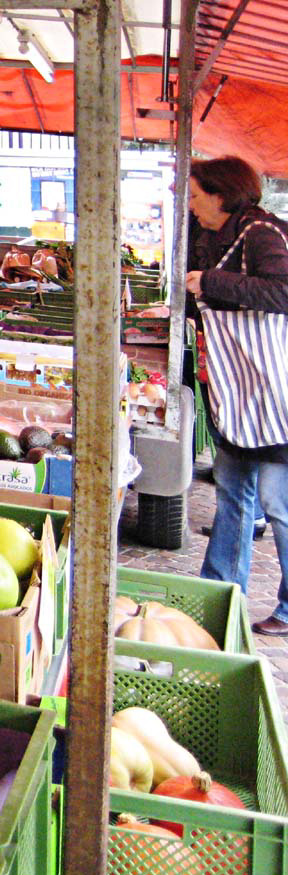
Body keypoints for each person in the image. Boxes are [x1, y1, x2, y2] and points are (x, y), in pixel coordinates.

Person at [185, 155, 288, 635]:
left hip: (273, 392)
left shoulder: (263, 233)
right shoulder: (213, 235)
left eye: (196, 195)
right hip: (237, 389)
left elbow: (283, 292)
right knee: (233, 495)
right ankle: (221, 590)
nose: (191, 204)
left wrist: (209, 282)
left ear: (221, 194)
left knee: (277, 504)